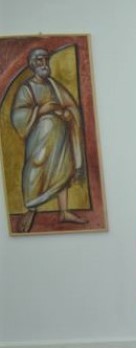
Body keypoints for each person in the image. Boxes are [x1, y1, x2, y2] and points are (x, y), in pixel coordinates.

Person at [10, 48, 87, 233]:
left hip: (61, 139)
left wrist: (67, 113)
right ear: (32, 64)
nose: (44, 64)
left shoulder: (53, 84)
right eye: (39, 60)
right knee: (36, 169)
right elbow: (18, 115)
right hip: (40, 140)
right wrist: (40, 110)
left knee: (63, 171)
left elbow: (70, 105)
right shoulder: (27, 88)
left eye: (46, 60)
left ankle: (64, 211)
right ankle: (31, 209)